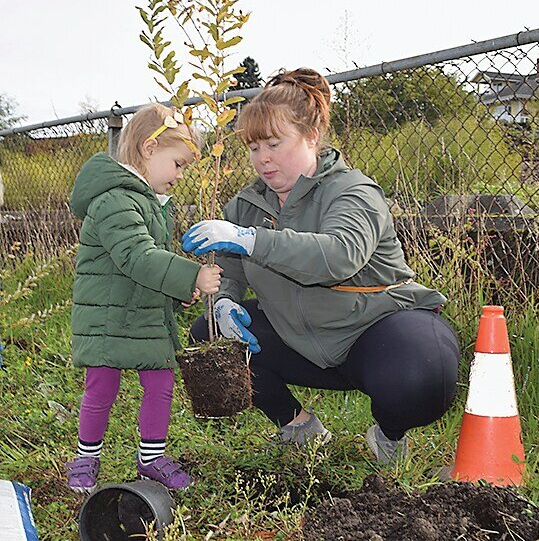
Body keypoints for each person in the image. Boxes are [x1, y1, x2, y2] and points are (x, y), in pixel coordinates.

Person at [183, 68, 460, 464]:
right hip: (297, 341)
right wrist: (225, 303)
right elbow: (230, 274)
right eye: (254, 147)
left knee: (424, 371)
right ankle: (298, 427)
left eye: (275, 144)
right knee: (207, 333)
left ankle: (389, 433)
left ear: (311, 137)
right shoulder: (245, 205)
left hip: (373, 333)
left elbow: (339, 255)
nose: (262, 159)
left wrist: (252, 239)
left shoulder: (352, 191)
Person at [66, 103, 222, 493]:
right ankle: (87, 456)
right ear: (150, 150)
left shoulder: (150, 202)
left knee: (161, 381)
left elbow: (150, 269)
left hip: (144, 314)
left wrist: (177, 293)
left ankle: (151, 458)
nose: (181, 175)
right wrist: (192, 275)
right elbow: (138, 257)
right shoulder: (115, 200)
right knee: (101, 385)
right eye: (178, 164)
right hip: (108, 317)